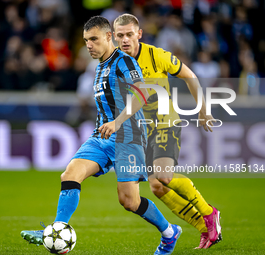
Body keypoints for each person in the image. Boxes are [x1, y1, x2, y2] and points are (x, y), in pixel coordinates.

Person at [21, 16, 182, 254]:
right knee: (70, 173)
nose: (88, 45)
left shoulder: (123, 61)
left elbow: (141, 96)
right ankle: (57, 230)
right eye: (86, 40)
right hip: (102, 138)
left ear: (109, 36)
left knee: (129, 201)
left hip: (129, 137)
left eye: (94, 39)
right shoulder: (99, 67)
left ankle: (169, 233)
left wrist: (117, 122)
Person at [112, 14, 222, 249]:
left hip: (165, 123)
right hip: (141, 131)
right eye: (120, 35)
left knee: (163, 176)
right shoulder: (115, 63)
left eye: (129, 34)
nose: (124, 40)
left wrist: (203, 110)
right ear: (113, 37)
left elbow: (190, 76)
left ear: (139, 34)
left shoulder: (156, 55)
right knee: (157, 187)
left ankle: (209, 213)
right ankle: (204, 229)